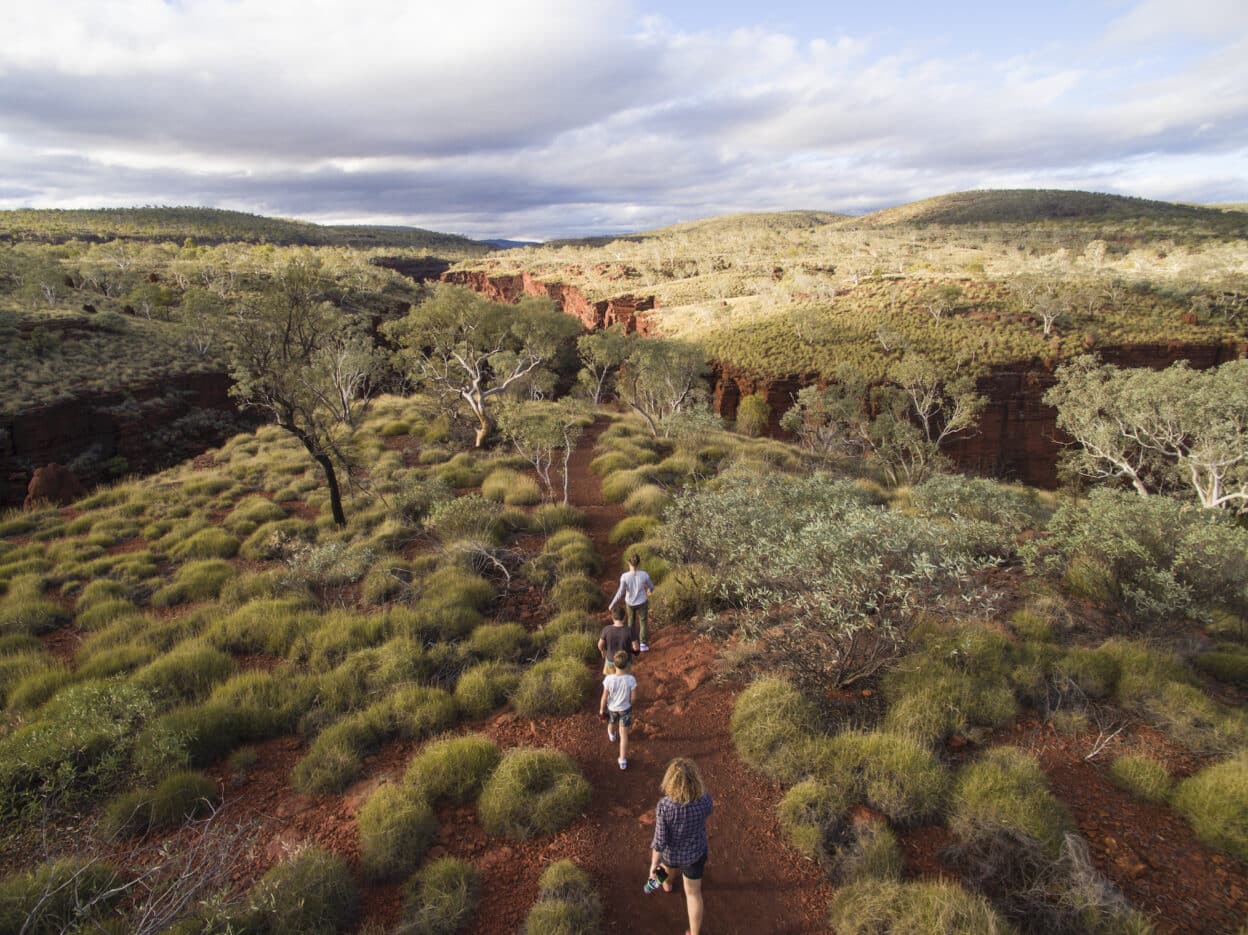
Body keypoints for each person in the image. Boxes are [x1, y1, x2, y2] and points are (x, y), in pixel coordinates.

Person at [648, 757, 713, 935]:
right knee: (693, 894)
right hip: (696, 853)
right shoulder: (705, 799)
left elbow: (660, 840)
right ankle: (694, 932)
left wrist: (653, 864)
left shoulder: (665, 807)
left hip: (671, 853)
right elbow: (709, 810)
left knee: (665, 872)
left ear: (670, 782)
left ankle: (663, 885)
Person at [599, 651, 637, 770]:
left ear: (614, 665)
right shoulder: (631, 679)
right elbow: (634, 697)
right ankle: (622, 760)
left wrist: (601, 709)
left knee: (611, 723)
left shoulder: (609, 679)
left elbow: (604, 697)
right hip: (625, 709)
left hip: (612, 709)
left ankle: (611, 735)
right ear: (627, 665)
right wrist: (631, 704)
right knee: (624, 735)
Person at [609, 552, 654, 652]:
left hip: (630, 603)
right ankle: (642, 644)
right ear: (638, 564)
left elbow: (620, 592)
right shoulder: (644, 575)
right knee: (643, 622)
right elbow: (651, 586)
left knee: (631, 622)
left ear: (629, 563)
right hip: (642, 601)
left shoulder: (624, 576)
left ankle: (630, 642)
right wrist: (649, 591)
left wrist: (612, 604)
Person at [598, 603, 640, 675]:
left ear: (612, 617)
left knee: (610, 681)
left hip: (610, 660)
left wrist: (603, 651)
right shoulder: (630, 630)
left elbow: (600, 644)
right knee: (624, 681)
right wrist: (632, 652)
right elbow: (636, 648)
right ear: (624, 617)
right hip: (625, 663)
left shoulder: (606, 629)